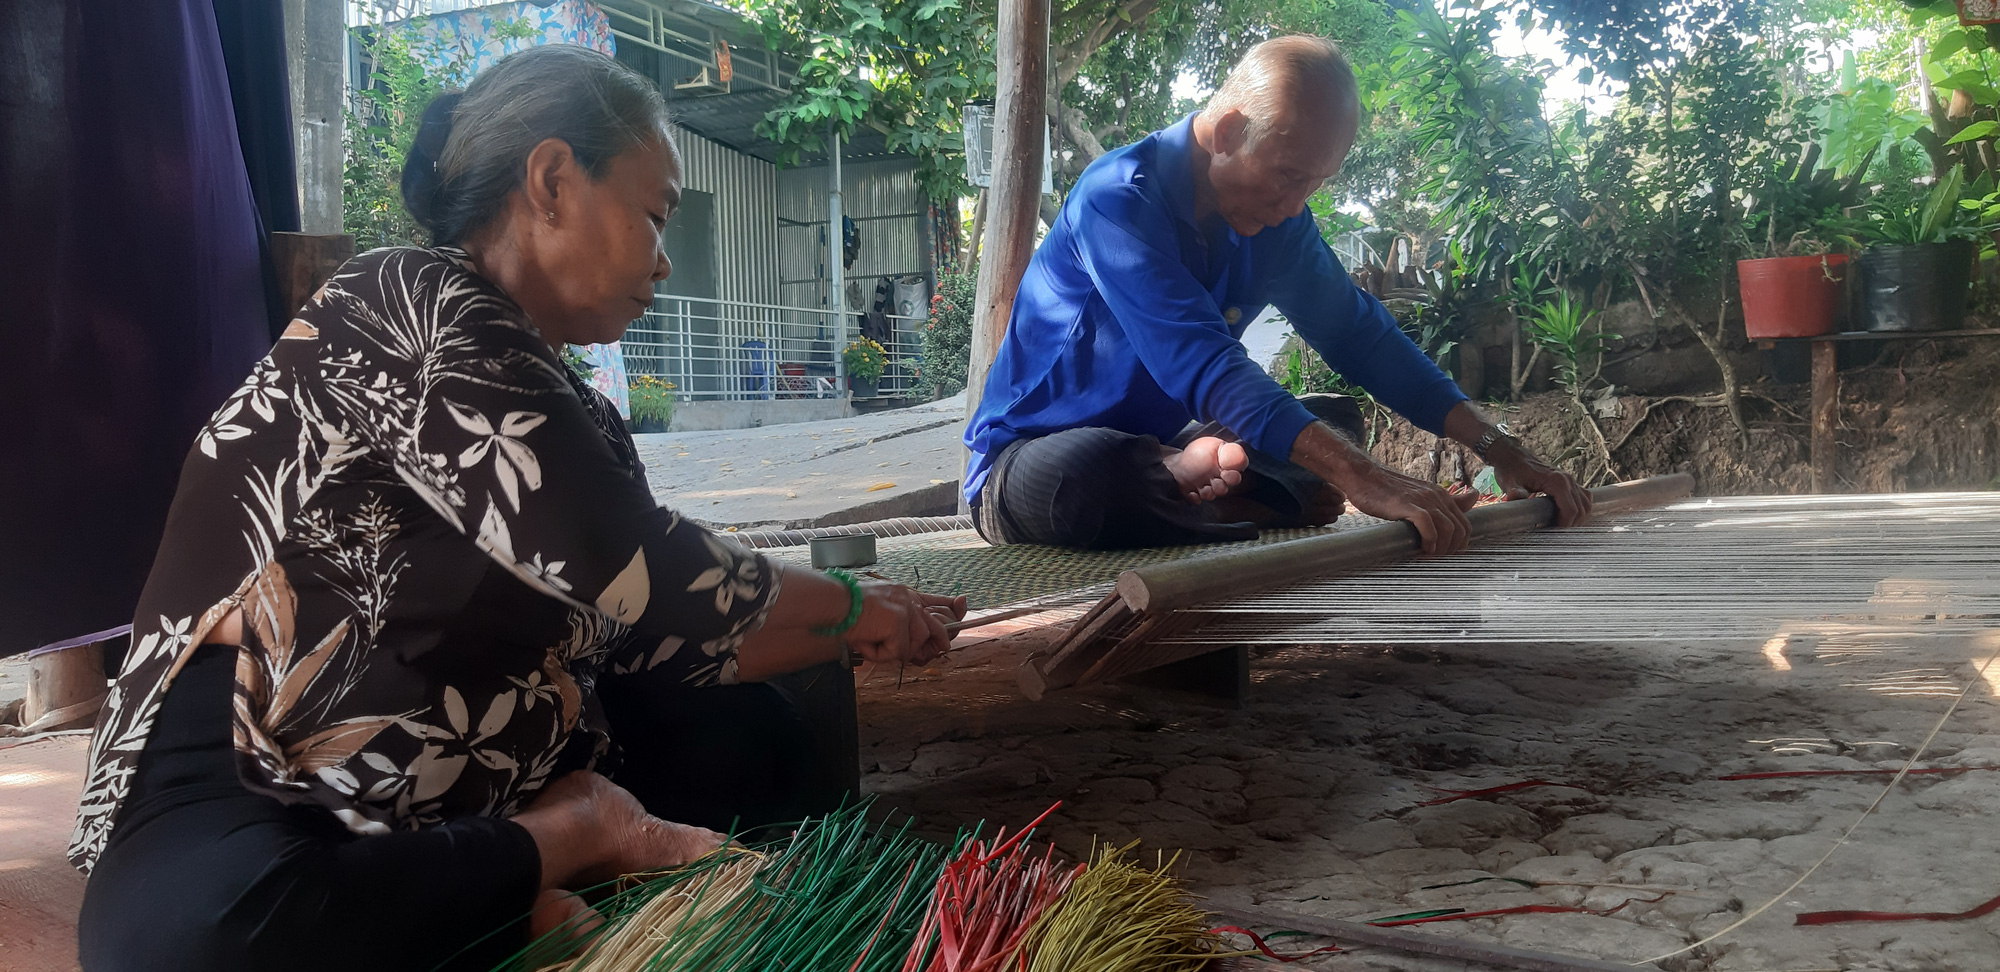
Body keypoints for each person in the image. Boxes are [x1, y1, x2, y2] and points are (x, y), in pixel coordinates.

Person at [71, 45, 963, 972]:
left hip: (471, 792)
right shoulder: (400, 302)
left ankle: (500, 894)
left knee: (768, 752)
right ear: (550, 180)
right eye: (655, 218)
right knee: (193, 948)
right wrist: (859, 607)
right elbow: (641, 570)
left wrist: (863, 636)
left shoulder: (590, 421)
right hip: (263, 778)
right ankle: (575, 836)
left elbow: (651, 638)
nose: (662, 263)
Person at [965, 36, 1590, 553]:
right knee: (1091, 476)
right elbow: (1205, 363)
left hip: (1173, 441)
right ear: (1229, 131)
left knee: (1335, 425)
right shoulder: (1118, 200)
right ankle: (1211, 490)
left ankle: (1193, 481)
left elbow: (1360, 336)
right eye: (1289, 176)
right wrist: (1362, 479)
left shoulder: (1277, 222)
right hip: (1029, 464)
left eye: (1314, 185)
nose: (1296, 205)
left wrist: (1499, 449)